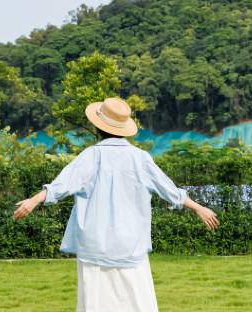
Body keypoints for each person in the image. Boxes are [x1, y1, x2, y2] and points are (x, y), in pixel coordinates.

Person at [13, 96, 219, 312]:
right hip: (131, 245)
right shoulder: (140, 158)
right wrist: (199, 208)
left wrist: (33, 200)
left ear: (98, 127)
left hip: (94, 246)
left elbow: (62, 185)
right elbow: (170, 191)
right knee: (138, 304)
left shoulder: (90, 156)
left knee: (95, 304)